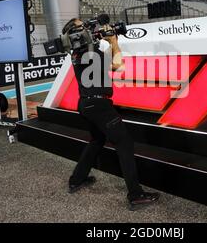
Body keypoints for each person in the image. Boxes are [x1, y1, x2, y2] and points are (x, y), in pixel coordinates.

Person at [64, 17, 160, 210]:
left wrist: (104, 41)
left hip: (86, 104)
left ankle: (77, 179)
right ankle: (135, 194)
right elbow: (119, 66)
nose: (90, 29)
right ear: (76, 33)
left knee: (97, 140)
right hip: (99, 106)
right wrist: (115, 43)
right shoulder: (90, 52)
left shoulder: (78, 52)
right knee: (124, 142)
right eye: (84, 27)